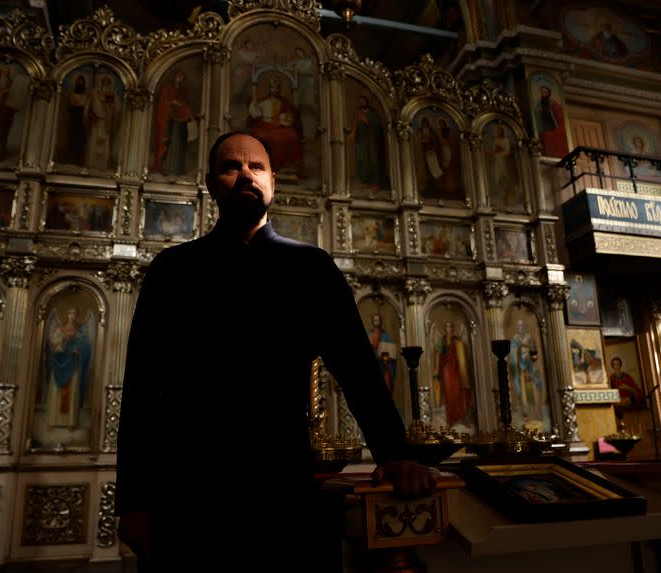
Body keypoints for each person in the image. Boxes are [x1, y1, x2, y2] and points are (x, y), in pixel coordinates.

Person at [115, 131, 438, 572]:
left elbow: (359, 369)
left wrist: (396, 455)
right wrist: (134, 501)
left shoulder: (310, 268)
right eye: (232, 167)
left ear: (273, 182)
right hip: (188, 493)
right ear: (212, 184)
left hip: (282, 488)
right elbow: (140, 392)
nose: (246, 174)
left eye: (257, 167)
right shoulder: (173, 270)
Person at [46, 307, 92, 430]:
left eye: (74, 313)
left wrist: (78, 348)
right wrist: (63, 339)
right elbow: (52, 343)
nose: (72, 315)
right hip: (60, 362)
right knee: (57, 391)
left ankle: (70, 422)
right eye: (70, 313)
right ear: (67, 315)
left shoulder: (81, 330)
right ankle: (52, 421)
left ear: (77, 316)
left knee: (72, 391)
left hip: (73, 363)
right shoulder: (60, 329)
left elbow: (86, 345)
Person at [248, 74, 302, 172]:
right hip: (264, 126)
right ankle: (259, 166)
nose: (275, 89)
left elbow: (290, 116)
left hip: (279, 126)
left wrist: (285, 119)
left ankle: (288, 168)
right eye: (273, 87)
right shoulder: (263, 101)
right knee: (258, 136)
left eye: (277, 87)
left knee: (292, 135)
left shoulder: (285, 103)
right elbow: (255, 114)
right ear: (270, 88)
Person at [152, 70, 195, 175]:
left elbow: (185, 105)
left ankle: (178, 169)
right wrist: (172, 103)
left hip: (181, 123)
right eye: (178, 76)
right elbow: (163, 102)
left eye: (182, 76)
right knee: (171, 144)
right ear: (174, 76)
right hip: (170, 121)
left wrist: (187, 112)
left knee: (179, 145)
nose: (180, 78)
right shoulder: (168, 88)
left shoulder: (182, 90)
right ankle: (168, 167)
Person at [434, 320, 471, 426]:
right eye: (446, 327)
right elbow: (438, 355)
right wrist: (436, 369)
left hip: (458, 371)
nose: (448, 329)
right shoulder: (442, 341)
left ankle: (462, 417)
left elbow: (463, 356)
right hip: (447, 370)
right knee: (449, 394)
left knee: (460, 393)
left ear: (453, 329)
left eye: (450, 327)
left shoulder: (457, 341)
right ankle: (450, 420)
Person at [348, 95, 386, 192]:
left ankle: (374, 183)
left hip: (372, 140)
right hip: (361, 141)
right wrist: (352, 134)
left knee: (373, 160)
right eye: (360, 101)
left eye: (363, 101)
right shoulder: (357, 112)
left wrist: (367, 120)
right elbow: (354, 125)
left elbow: (377, 124)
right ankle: (364, 182)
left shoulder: (372, 112)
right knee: (362, 159)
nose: (361, 103)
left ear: (366, 102)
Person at [85, 74, 120, 170]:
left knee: (105, 142)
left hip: (106, 122)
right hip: (96, 121)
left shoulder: (112, 93)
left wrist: (110, 105)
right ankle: (91, 163)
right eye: (103, 81)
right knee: (94, 140)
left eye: (107, 82)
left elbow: (117, 107)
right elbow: (90, 105)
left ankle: (102, 165)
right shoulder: (95, 92)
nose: (105, 83)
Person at [535, 85, 569, 158]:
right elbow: (537, 111)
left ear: (548, 93)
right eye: (542, 92)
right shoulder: (539, 102)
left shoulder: (552, 102)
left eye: (544, 92)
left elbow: (558, 111)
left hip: (551, 122)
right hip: (544, 121)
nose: (543, 93)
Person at [366, 313, 397, 393]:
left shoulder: (385, 336)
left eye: (378, 320)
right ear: (372, 321)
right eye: (375, 320)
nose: (376, 322)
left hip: (384, 366)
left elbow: (391, 351)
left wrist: (386, 359)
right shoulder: (369, 335)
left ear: (381, 321)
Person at [64, 73, 89, 165]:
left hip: (81, 117)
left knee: (80, 140)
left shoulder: (86, 93)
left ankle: (79, 159)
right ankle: (69, 159)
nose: (80, 83)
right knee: (71, 138)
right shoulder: (71, 92)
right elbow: (71, 102)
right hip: (73, 116)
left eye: (81, 81)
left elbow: (85, 103)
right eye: (78, 81)